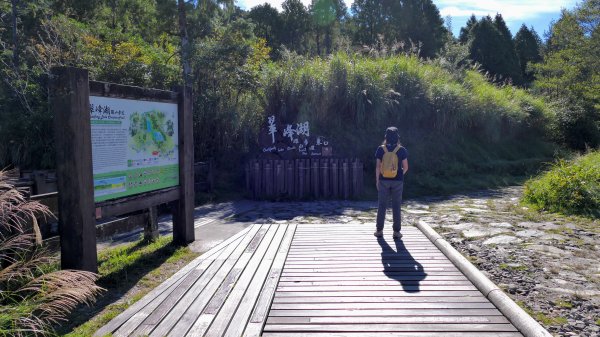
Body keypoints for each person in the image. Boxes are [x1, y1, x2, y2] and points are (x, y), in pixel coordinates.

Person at [374, 126, 408, 239]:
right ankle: (396, 232)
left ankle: (379, 231)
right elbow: (406, 167)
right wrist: (398, 175)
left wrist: (377, 180)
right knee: (396, 206)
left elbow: (378, 167)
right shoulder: (401, 150)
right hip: (397, 181)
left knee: (382, 205)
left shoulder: (380, 149)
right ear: (397, 137)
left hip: (383, 180)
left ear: (386, 137)